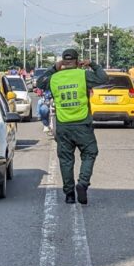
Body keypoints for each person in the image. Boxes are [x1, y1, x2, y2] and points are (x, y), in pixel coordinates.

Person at [36, 49, 108, 205]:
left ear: (63, 62)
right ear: (77, 61)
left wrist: (54, 68)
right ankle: (82, 183)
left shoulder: (54, 78)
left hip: (63, 124)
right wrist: (92, 64)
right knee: (90, 152)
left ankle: (69, 194)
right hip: (82, 123)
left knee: (66, 160)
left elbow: (39, 82)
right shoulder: (83, 75)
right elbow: (103, 78)